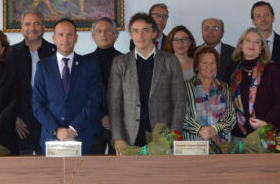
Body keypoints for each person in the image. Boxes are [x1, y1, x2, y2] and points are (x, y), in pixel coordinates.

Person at [109, 12, 185, 153]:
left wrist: (173, 135)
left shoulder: (170, 61)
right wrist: (118, 137)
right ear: (131, 35)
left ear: (154, 33)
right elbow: (115, 103)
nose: (140, 35)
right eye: (135, 31)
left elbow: (179, 102)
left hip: (163, 135)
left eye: (145, 30)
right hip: (129, 135)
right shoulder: (120, 62)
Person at [32, 18, 102, 154]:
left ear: (76, 38)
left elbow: (93, 101)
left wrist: (74, 129)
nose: (65, 39)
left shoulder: (89, 65)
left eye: (69, 34)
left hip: (81, 137)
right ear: (54, 38)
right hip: (51, 138)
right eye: (61, 35)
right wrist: (56, 130)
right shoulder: (43, 66)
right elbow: (37, 104)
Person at [225, 27, 280, 138]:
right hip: (237, 134)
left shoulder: (271, 69)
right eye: (248, 40)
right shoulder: (232, 70)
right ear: (241, 45)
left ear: (262, 48)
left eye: (257, 42)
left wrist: (266, 123)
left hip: (265, 133)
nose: (251, 45)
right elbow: (225, 101)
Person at [9, 10, 56, 154]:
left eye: (37, 24)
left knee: (50, 165)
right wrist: (13, 117)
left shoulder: (55, 52)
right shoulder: (9, 54)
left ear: (44, 27)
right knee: (23, 166)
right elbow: (5, 91)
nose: (32, 28)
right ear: (21, 27)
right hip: (20, 124)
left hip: (50, 121)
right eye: (27, 24)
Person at [183, 46, 236, 150]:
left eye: (212, 63)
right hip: (193, 147)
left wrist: (215, 129)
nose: (209, 66)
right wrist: (200, 130)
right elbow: (180, 116)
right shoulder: (184, 87)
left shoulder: (224, 87)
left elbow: (231, 116)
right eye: (204, 63)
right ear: (197, 66)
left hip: (221, 148)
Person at [89, 17, 122, 154]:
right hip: (93, 124)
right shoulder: (84, 62)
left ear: (116, 35)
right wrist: (101, 116)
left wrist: (113, 117)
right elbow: (83, 95)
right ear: (93, 37)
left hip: (120, 125)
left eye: (107, 30)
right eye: (99, 31)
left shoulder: (126, 61)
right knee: (92, 165)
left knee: (120, 165)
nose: (103, 34)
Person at [250, 1, 280, 68]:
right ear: (253, 21)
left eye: (266, 15)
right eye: (258, 16)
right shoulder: (247, 45)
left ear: (273, 17)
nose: (263, 19)